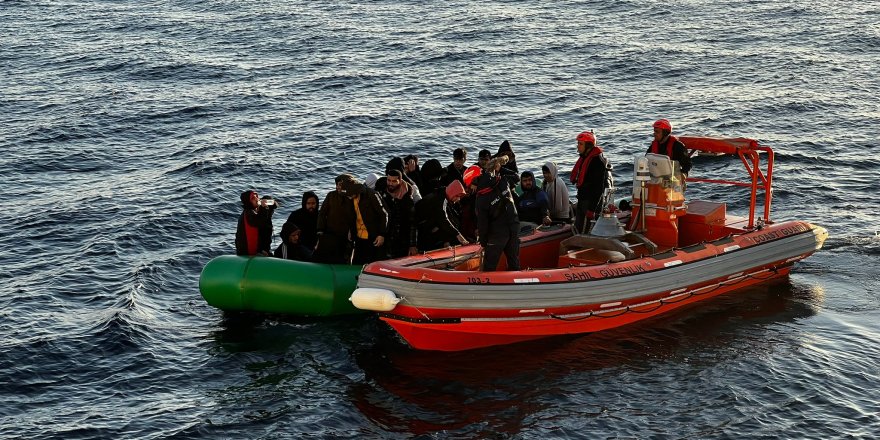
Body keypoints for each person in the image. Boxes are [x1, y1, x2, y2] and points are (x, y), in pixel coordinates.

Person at [475, 155, 521, 271]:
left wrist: (484, 243)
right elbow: (516, 177)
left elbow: (482, 223)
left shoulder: (481, 198)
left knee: (489, 267)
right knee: (513, 263)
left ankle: (488, 288)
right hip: (513, 226)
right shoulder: (502, 180)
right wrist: (500, 168)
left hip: (498, 233)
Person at [340, 178, 388, 265]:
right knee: (357, 263)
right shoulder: (350, 198)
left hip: (373, 237)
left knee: (374, 263)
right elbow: (352, 216)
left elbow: (384, 214)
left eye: (349, 194)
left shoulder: (371, 194)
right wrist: (351, 230)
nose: (348, 196)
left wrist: (382, 234)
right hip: (359, 237)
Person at [571, 131, 610, 235]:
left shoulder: (598, 162)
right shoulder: (584, 158)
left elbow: (599, 188)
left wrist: (591, 209)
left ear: (588, 145)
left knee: (586, 231)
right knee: (578, 227)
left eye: (580, 144)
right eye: (578, 143)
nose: (578, 146)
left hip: (590, 203)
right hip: (582, 199)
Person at [414, 180, 470, 252]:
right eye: (457, 196)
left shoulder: (442, 195)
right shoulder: (440, 200)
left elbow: (448, 219)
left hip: (426, 225)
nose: (458, 199)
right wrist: (459, 236)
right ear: (452, 192)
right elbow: (444, 219)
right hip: (421, 227)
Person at [313, 174, 356, 264]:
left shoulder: (353, 198)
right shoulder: (331, 196)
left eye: (341, 184)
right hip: (330, 234)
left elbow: (357, 216)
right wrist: (320, 231)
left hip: (346, 237)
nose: (338, 187)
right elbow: (322, 213)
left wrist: (352, 231)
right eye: (337, 185)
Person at [381, 169, 418, 258]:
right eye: (389, 180)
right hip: (385, 237)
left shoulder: (407, 199)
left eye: (394, 181)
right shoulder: (382, 192)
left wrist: (413, 245)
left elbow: (413, 223)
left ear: (400, 181)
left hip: (401, 238)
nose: (390, 183)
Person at [235, 190, 277, 256]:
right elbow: (260, 222)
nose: (256, 199)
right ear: (248, 202)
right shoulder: (249, 214)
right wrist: (264, 207)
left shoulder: (253, 211)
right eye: (253, 198)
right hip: (247, 252)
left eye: (256, 197)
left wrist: (270, 203)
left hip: (255, 250)